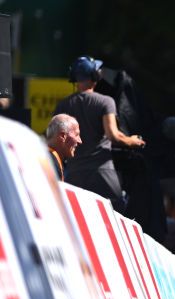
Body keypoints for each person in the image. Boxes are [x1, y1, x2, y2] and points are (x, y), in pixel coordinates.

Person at [54, 56, 145, 211]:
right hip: (102, 173)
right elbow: (113, 136)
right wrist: (133, 141)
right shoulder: (105, 101)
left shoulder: (63, 105)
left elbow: (56, 141)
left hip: (74, 174)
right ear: (94, 76)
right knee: (116, 215)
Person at [44, 113, 81, 181]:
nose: (80, 141)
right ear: (63, 136)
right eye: (76, 135)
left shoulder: (43, 157)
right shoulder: (51, 164)